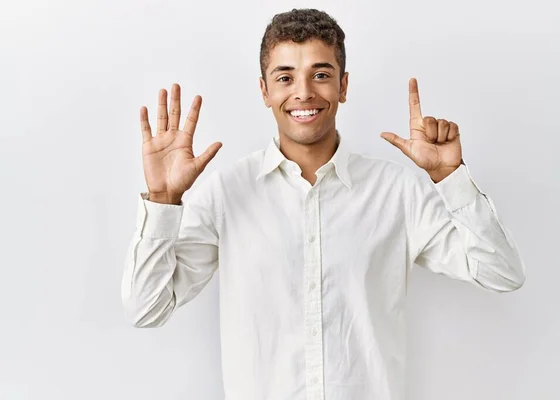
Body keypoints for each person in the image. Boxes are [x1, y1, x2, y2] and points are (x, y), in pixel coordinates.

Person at [121, 8, 525, 400]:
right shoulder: (227, 194)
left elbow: (502, 273)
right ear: (264, 90)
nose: (304, 92)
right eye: (285, 77)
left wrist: (449, 178)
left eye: (320, 74)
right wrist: (163, 199)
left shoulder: (397, 192)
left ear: (343, 86)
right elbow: (146, 308)